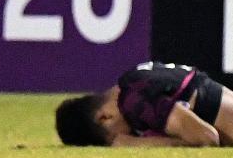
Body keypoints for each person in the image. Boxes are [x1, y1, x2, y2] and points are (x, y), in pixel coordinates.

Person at [55, 61, 233, 147]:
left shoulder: (134, 101)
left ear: (104, 117)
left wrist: (131, 143)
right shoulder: (136, 78)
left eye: (111, 137)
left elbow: (207, 138)